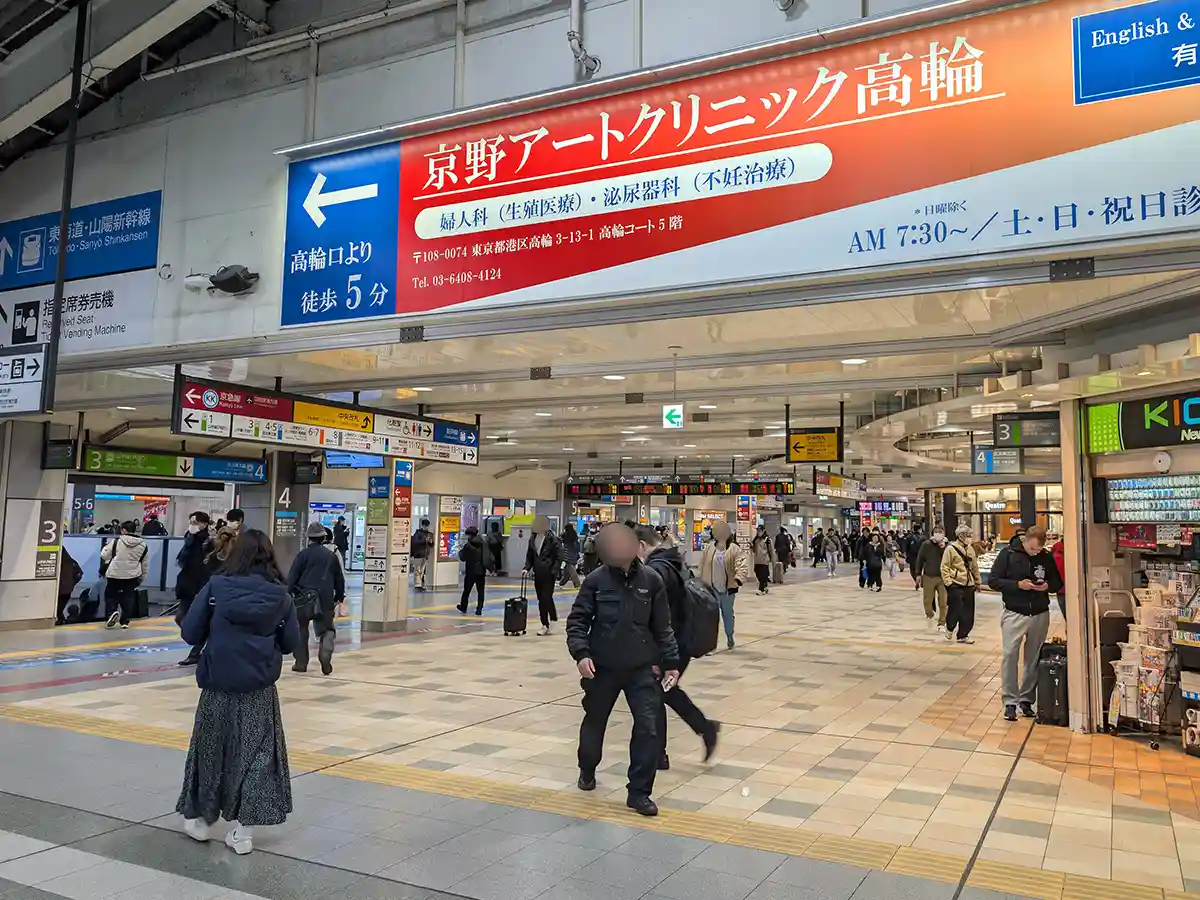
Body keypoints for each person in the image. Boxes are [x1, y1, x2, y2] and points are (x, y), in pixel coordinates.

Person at [176, 529, 299, 854]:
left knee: (211, 751)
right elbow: (290, 644)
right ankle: (243, 833)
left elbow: (190, 633)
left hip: (218, 685)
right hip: (259, 689)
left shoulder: (216, 587)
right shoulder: (281, 595)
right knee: (258, 758)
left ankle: (202, 822)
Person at [566, 523, 680, 817]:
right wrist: (581, 654)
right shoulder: (595, 581)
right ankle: (587, 768)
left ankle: (639, 792)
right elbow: (577, 621)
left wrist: (671, 664)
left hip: (641, 667)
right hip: (601, 667)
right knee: (595, 720)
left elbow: (663, 627)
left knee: (648, 727)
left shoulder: (652, 581)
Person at [637, 526, 719, 770]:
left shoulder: (657, 569)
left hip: (672, 646)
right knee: (661, 693)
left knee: (657, 694)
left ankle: (700, 730)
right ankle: (665, 750)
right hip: (678, 643)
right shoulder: (672, 562)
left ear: (641, 546)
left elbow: (657, 612)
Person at [990, 525, 1063, 721]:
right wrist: (1017, 585)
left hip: (1039, 612)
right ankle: (1010, 702)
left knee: (1033, 658)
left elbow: (1057, 582)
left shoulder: (1045, 557)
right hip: (1015, 612)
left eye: (1039, 550)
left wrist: (1048, 586)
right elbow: (993, 580)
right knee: (1009, 656)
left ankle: (1026, 699)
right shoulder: (1008, 554)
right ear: (1025, 541)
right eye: (1032, 549)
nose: (1035, 553)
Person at [287, 521, 345, 675]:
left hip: (303, 598)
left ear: (309, 538)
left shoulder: (302, 555)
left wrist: (291, 593)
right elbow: (340, 579)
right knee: (327, 629)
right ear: (323, 538)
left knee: (300, 629)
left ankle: (301, 662)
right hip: (325, 598)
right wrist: (339, 596)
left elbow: (291, 579)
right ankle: (325, 656)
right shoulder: (331, 556)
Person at [698, 522, 748, 649]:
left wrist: (738, 579)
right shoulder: (709, 548)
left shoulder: (734, 549)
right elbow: (702, 566)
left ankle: (730, 636)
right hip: (712, 588)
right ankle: (710, 644)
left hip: (728, 589)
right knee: (710, 617)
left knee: (727, 614)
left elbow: (742, 565)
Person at [176, 511, 214, 666]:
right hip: (187, 585)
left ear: (204, 524)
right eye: (191, 521)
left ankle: (196, 652)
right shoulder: (189, 538)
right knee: (180, 618)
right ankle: (205, 640)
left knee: (201, 619)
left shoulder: (209, 542)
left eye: (195, 522)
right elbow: (183, 561)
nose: (192, 525)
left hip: (201, 585)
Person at [102, 522, 148, 629]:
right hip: (132, 575)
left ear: (123, 530)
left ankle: (112, 613)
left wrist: (105, 548)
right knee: (128, 597)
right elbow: (145, 563)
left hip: (115, 573)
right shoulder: (143, 545)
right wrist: (143, 576)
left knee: (110, 595)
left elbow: (104, 555)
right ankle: (125, 621)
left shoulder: (117, 541)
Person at [941, 524, 981, 644]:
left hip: (969, 584)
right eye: (967, 535)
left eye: (970, 535)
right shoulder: (950, 549)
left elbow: (974, 566)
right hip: (955, 583)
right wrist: (948, 582)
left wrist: (977, 581)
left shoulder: (970, 549)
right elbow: (944, 566)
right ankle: (950, 627)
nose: (969, 538)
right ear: (960, 536)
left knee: (968, 611)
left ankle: (963, 635)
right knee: (956, 608)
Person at [524, 515, 562, 635]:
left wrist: (554, 571)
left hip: (549, 573)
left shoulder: (552, 539)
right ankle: (544, 623)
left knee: (546, 597)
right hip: (538, 573)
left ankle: (552, 618)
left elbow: (559, 556)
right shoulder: (532, 538)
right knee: (541, 599)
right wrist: (526, 568)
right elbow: (530, 555)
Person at [915, 526, 949, 629]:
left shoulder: (948, 545)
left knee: (943, 601)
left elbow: (950, 559)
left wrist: (943, 547)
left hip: (943, 577)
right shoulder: (926, 545)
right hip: (929, 576)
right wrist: (918, 574)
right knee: (928, 600)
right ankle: (930, 614)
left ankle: (942, 622)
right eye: (936, 532)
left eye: (940, 532)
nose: (938, 533)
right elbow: (920, 559)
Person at [457, 525, 488, 616]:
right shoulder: (483, 544)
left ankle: (463, 607)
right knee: (481, 591)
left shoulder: (468, 545)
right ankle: (479, 609)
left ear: (470, 535)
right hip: (481, 571)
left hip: (470, 571)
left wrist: (460, 550)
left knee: (467, 590)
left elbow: (462, 557)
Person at [56, 547, 83, 625]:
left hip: (59, 589)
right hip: (67, 590)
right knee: (59, 609)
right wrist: (72, 584)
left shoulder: (58, 563)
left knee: (58, 610)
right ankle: (61, 620)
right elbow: (79, 573)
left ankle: (61, 621)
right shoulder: (71, 562)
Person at [750, 524, 775, 594]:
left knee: (762, 575)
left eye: (760, 530)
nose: (758, 532)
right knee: (757, 572)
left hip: (765, 561)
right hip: (757, 560)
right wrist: (752, 546)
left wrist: (773, 561)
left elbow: (771, 551)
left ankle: (761, 589)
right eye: (757, 530)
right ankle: (765, 586)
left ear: (763, 531)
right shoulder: (756, 539)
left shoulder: (768, 540)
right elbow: (755, 550)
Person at [410, 518, 433, 590]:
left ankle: (420, 584)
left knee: (422, 570)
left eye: (427, 526)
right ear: (422, 525)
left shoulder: (429, 534)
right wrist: (425, 540)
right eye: (425, 525)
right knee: (417, 570)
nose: (426, 527)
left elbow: (431, 545)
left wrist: (431, 542)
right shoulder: (417, 533)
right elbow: (416, 542)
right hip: (418, 554)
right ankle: (417, 585)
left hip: (425, 555)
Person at [1050, 534, 1067, 620]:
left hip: (1077, 589)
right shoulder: (1056, 547)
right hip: (1061, 590)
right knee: (1067, 618)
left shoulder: (1079, 545)